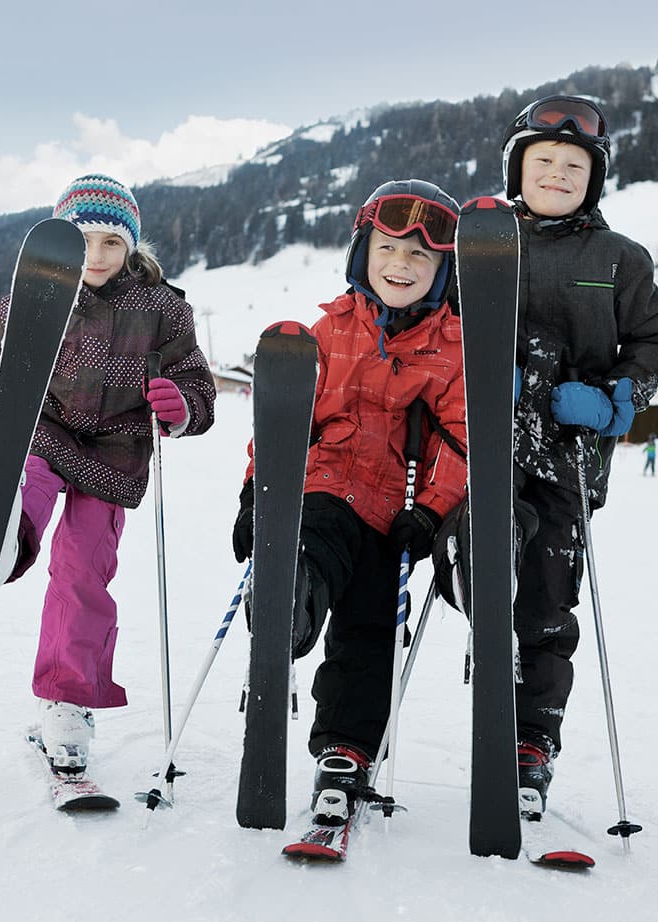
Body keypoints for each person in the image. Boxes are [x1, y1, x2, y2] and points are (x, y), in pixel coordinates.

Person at [0, 173, 216, 773]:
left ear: (131, 246)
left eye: (112, 242)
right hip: (41, 433)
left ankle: (66, 702)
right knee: (21, 488)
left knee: (82, 573)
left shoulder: (161, 308)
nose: (98, 256)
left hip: (113, 456)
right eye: (83, 243)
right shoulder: (32, 299)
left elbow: (197, 383)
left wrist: (181, 407)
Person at [438, 95, 658, 817]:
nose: (558, 174)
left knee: (547, 595)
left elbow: (652, 342)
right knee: (485, 537)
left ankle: (531, 743)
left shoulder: (619, 258)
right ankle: (488, 623)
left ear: (594, 179)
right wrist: (468, 367)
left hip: (568, 457)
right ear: (517, 167)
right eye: (544, 161)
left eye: (575, 166)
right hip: (484, 445)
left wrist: (617, 401)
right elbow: (437, 321)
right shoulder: (479, 243)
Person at [230, 179, 468, 823]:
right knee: (316, 543)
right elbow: (282, 424)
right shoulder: (325, 331)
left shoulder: (451, 352)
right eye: (389, 248)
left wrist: (433, 510)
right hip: (320, 492)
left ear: (443, 273)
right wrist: (258, 495)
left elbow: (462, 440)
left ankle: (347, 747)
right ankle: (290, 599)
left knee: (370, 628)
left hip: (394, 513)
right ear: (362, 253)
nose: (402, 265)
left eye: (421, 258)